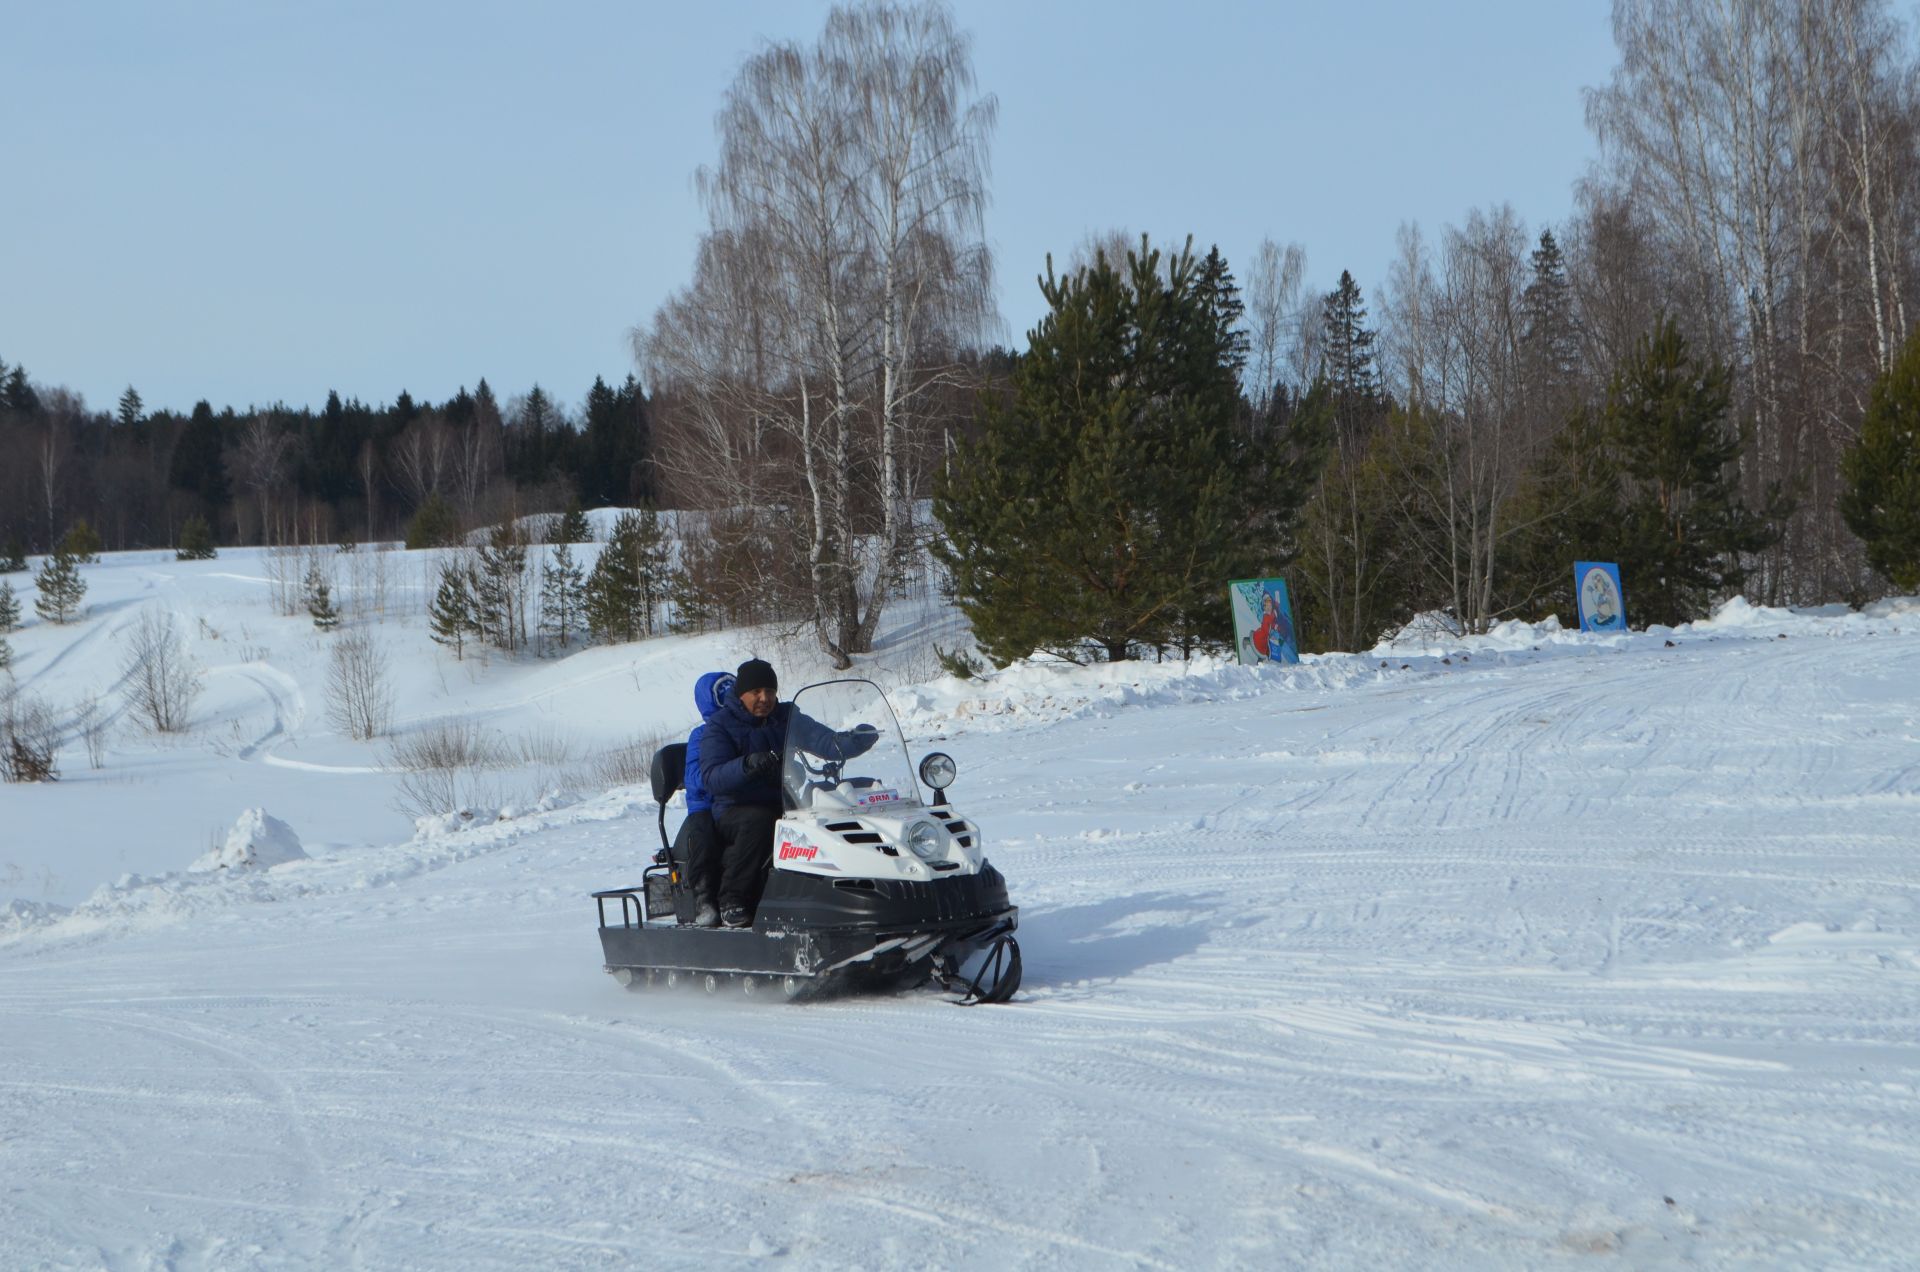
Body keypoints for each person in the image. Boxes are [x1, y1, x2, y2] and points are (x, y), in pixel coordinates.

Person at [698, 658, 878, 928]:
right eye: (756, 692)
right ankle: (732, 899)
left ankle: (852, 888)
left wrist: (853, 742)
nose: (764, 698)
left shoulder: (786, 716)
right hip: (735, 809)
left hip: (788, 800)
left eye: (770, 691)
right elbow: (712, 777)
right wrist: (747, 765)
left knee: (836, 805)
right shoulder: (720, 726)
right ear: (741, 694)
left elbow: (822, 740)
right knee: (758, 822)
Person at [676, 671, 733, 927]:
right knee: (706, 838)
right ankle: (704, 900)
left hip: (736, 801)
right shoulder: (701, 736)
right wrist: (726, 773)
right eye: (725, 696)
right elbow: (695, 777)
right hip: (706, 804)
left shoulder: (744, 728)